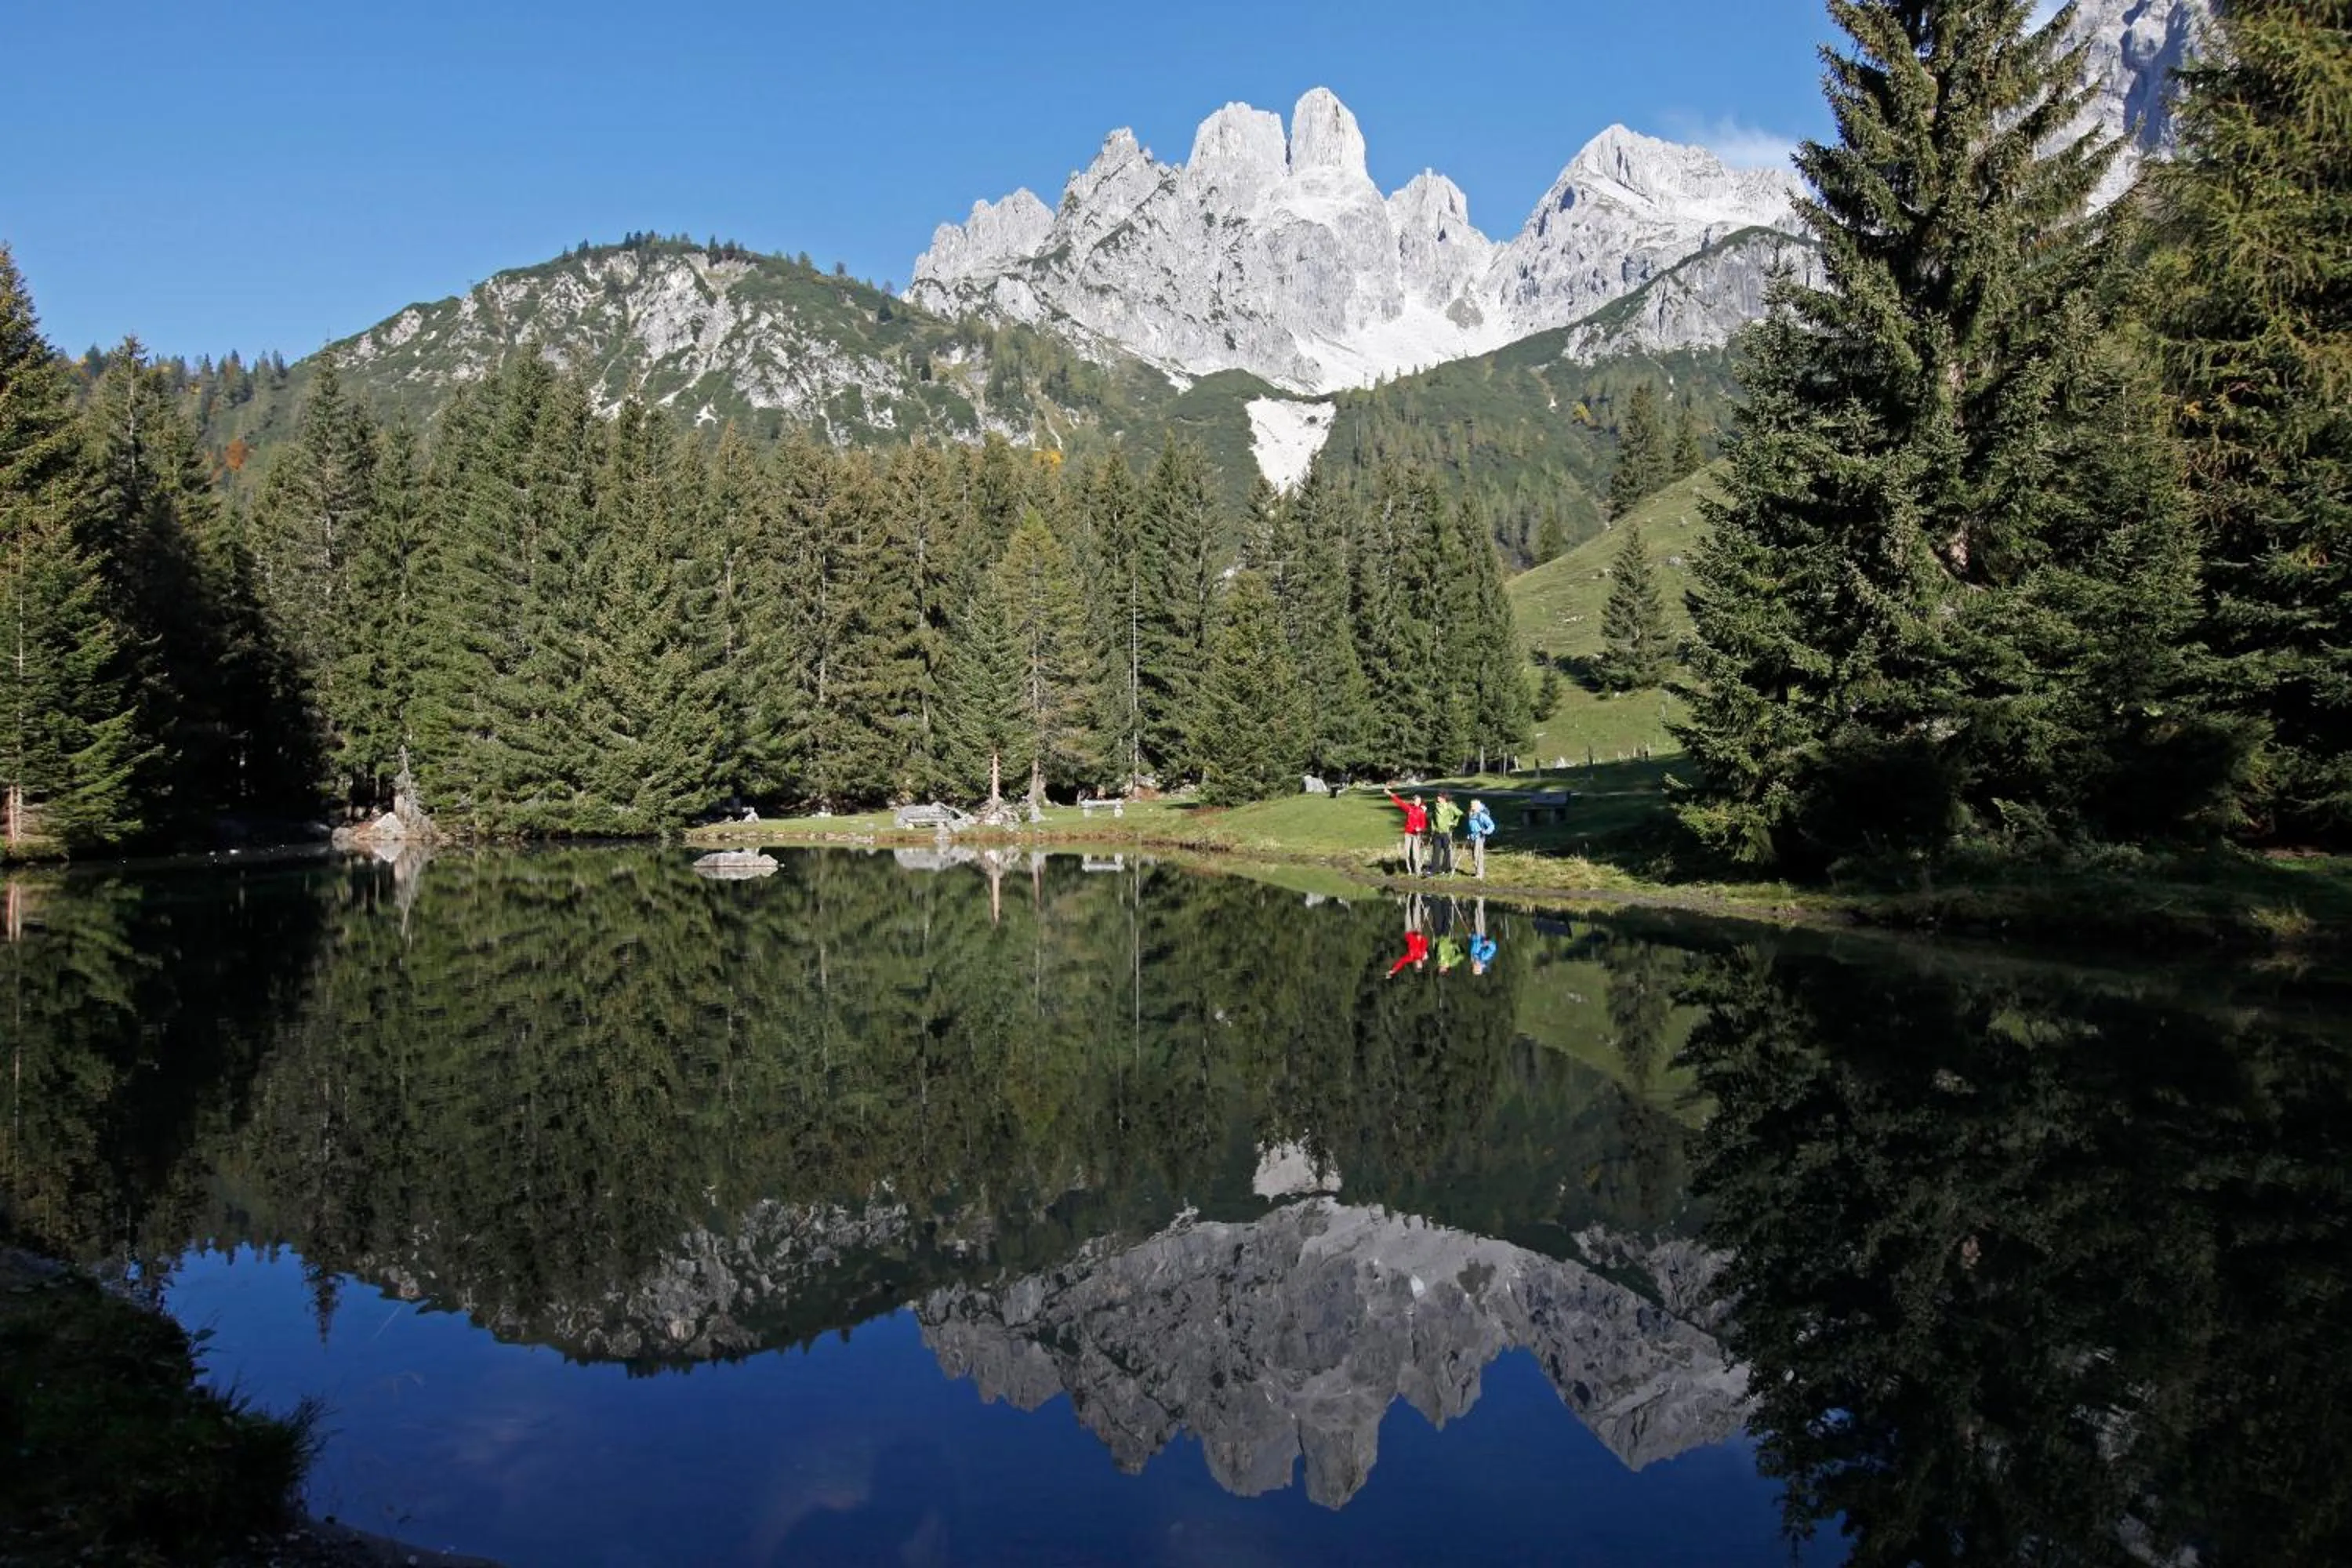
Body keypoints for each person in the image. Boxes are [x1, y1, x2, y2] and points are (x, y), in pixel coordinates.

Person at [1385, 789, 1430, 875]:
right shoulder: (1409, 809)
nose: (1418, 802)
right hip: (1408, 834)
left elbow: (1423, 825)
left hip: (1416, 835)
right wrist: (1390, 794)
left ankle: (1418, 871)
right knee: (1407, 853)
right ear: (1413, 801)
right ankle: (1409, 870)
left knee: (1416, 854)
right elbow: (1399, 802)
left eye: (1419, 801)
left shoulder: (1422, 811)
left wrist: (1420, 829)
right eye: (1416, 801)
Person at [1432, 794, 1464, 875]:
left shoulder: (1450, 806)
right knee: (1436, 851)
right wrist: (1433, 828)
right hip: (1437, 832)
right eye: (1438, 796)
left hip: (1446, 832)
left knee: (1447, 851)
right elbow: (1433, 818)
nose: (1438, 798)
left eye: (1439, 797)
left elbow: (1460, 813)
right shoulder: (1436, 806)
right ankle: (1435, 869)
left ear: (1444, 798)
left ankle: (1445, 868)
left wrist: (1453, 823)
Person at [1465, 798, 1495, 879]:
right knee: (1474, 856)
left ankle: (1479, 874)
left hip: (1479, 837)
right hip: (1472, 837)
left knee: (1478, 855)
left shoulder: (1481, 816)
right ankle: (1477, 872)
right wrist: (1468, 834)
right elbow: (1470, 826)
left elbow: (1491, 825)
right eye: (1471, 805)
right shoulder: (1471, 814)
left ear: (1477, 807)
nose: (1471, 807)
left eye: (1473, 805)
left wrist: (1486, 832)